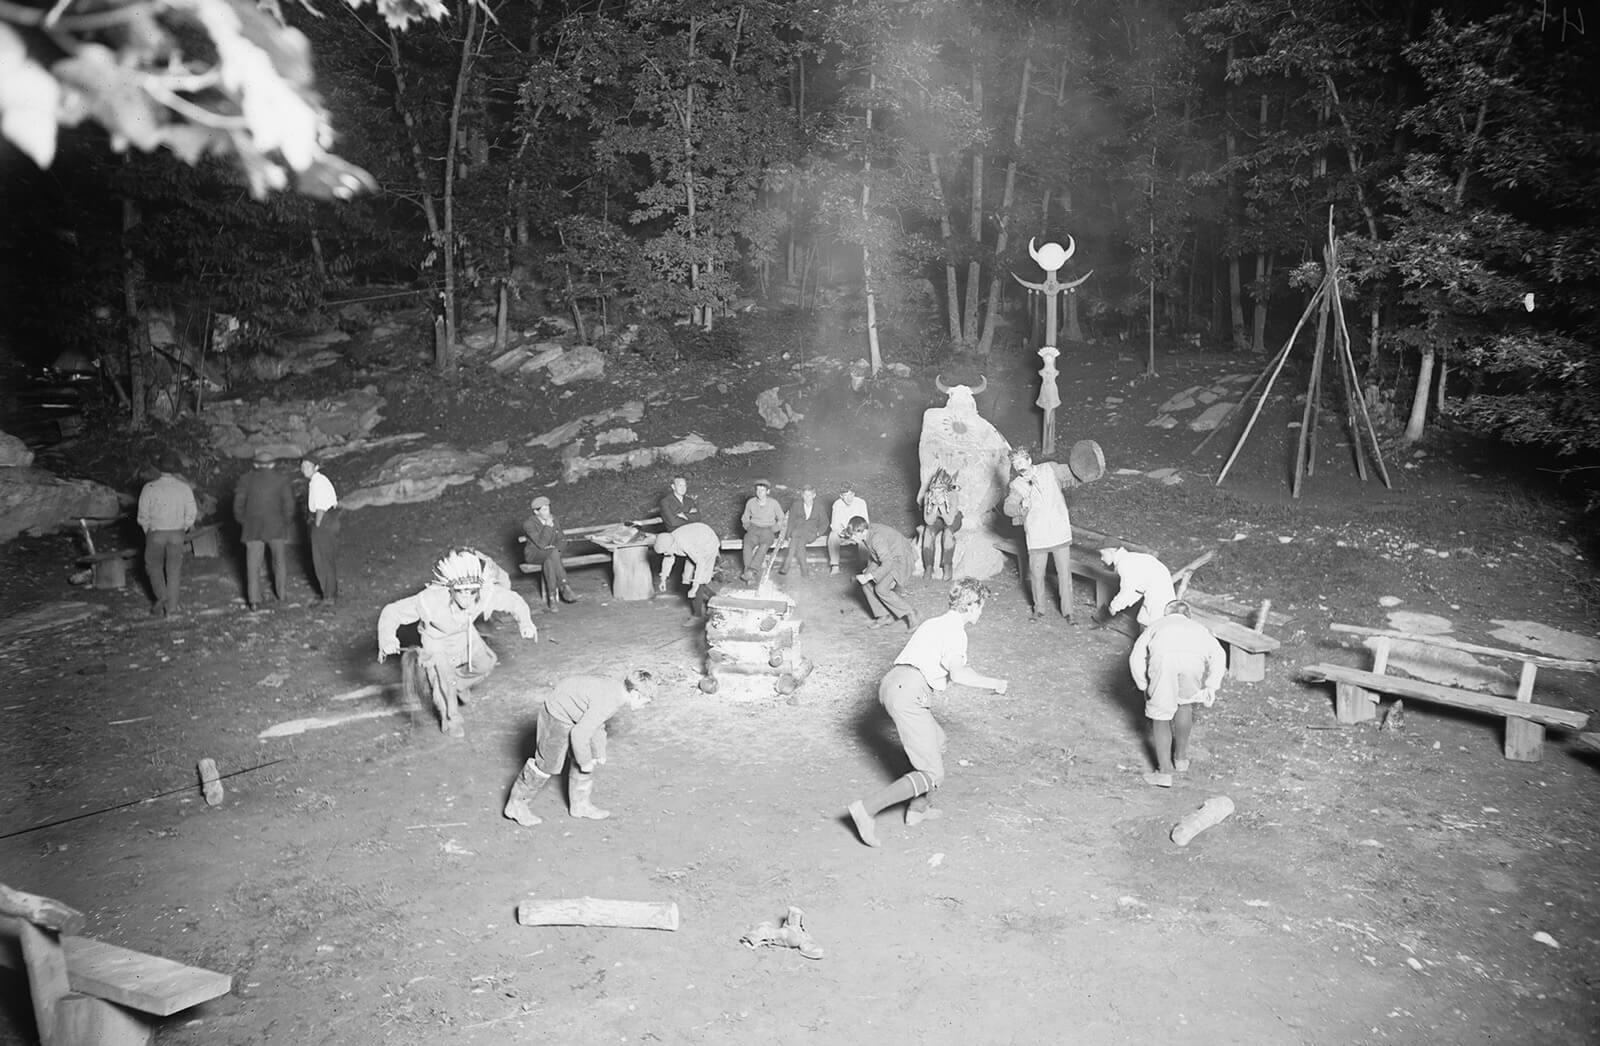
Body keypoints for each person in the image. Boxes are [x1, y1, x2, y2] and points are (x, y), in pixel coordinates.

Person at [846, 578, 1008, 847]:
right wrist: (995, 683)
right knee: (933, 773)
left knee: (938, 740)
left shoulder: (934, 622)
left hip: (893, 684)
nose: (981, 611)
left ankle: (917, 810)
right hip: (909, 693)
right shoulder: (956, 632)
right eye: (981, 606)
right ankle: (866, 809)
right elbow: (958, 672)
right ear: (972, 605)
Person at [377, 549, 538, 738]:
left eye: (472, 592)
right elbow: (392, 611)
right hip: (436, 641)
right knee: (445, 682)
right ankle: (450, 718)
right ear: (451, 589)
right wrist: (388, 638)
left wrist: (525, 622)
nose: (467, 598)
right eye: (461, 592)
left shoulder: (485, 594)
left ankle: (460, 684)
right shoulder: (431, 600)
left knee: (486, 663)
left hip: (465, 634)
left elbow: (513, 601)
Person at [503, 670, 659, 824]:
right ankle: (516, 805)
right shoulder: (611, 700)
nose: (643, 707)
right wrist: (584, 762)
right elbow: (579, 734)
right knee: (547, 763)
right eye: (645, 702)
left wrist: (599, 751)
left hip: (573, 710)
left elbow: (597, 723)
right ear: (636, 694)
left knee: (588, 752)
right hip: (557, 713)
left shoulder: (617, 692)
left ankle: (580, 805)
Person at [1128, 600, 1226, 788]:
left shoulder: (1156, 625)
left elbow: (1136, 655)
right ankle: (1181, 758)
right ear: (1188, 615)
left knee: (1160, 715)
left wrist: (1142, 683)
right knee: (1185, 704)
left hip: (1164, 660)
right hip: (1193, 662)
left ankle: (1164, 772)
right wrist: (1212, 685)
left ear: (1166, 614)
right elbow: (1219, 655)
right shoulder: (1199, 627)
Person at [1003, 445, 1074, 621]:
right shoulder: (1017, 485)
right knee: (1036, 574)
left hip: (1059, 530)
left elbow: (1074, 473)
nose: (1018, 466)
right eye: (1015, 463)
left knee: (1064, 574)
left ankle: (1069, 612)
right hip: (1037, 535)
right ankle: (1039, 609)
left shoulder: (1049, 468)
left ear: (1029, 460)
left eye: (1021, 461)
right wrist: (1020, 507)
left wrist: (1084, 469)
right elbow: (1008, 508)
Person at [233, 449, 296, 610]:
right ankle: (281, 595)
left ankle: (254, 600)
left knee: (252, 565)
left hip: (252, 529)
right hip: (276, 528)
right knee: (279, 562)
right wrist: (285, 522)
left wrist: (244, 522)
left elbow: (237, 506)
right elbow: (289, 505)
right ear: (273, 464)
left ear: (255, 464)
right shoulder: (282, 480)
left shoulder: (245, 480)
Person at [136, 452, 197, 617]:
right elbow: (191, 513)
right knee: (174, 570)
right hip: (177, 533)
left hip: (156, 533)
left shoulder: (149, 488)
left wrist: (148, 530)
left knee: (153, 566)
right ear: (176, 467)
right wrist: (182, 528)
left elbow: (142, 516)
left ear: (159, 467)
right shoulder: (184, 488)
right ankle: (172, 608)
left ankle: (162, 596)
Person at [845, 516, 921, 630]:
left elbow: (888, 562)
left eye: (855, 535)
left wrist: (871, 575)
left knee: (881, 589)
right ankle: (883, 616)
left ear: (863, 531)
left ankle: (911, 613)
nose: (853, 538)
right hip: (889, 557)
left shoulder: (876, 538)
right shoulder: (867, 534)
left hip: (900, 559)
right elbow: (876, 554)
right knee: (865, 583)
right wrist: (867, 571)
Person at [521, 495, 578, 609]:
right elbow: (541, 544)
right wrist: (547, 526)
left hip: (551, 555)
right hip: (534, 554)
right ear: (536, 512)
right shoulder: (529, 524)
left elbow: (562, 538)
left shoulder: (554, 519)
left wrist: (558, 550)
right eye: (544, 509)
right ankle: (564, 586)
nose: (548, 512)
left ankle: (552, 598)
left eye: (548, 508)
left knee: (550, 558)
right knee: (551, 554)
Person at [1099, 546, 1177, 630]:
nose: (1102, 558)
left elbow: (1127, 591)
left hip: (1160, 594)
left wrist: (1114, 606)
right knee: (1142, 619)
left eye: (1103, 554)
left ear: (1111, 551)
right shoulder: (1129, 558)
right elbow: (1137, 590)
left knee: (1156, 627)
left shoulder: (1124, 564)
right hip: (1156, 588)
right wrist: (1116, 607)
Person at [301, 455, 340, 603]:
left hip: (323, 521)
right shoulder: (317, 480)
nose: (304, 469)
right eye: (303, 466)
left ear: (316, 467)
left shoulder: (318, 482)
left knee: (322, 560)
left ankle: (329, 597)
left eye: (307, 466)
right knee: (326, 558)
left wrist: (317, 524)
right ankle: (330, 593)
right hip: (328, 519)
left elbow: (321, 507)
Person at [653, 520, 720, 599]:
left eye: (665, 551)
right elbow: (668, 559)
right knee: (687, 578)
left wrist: (694, 587)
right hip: (695, 542)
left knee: (702, 578)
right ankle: (697, 594)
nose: (665, 554)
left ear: (672, 546)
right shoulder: (669, 541)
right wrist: (663, 579)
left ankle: (705, 598)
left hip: (707, 542)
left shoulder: (684, 544)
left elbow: (700, 562)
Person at [917, 467, 963, 581]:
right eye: (934, 489)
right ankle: (928, 567)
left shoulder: (952, 495)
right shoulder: (928, 496)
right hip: (937, 519)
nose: (936, 493)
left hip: (952, 519)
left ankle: (947, 565)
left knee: (947, 533)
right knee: (928, 532)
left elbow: (949, 521)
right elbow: (929, 521)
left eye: (940, 490)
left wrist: (942, 508)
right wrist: (934, 508)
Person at [739, 479, 787, 582]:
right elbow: (745, 517)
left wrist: (774, 529)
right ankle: (748, 572)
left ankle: (752, 570)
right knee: (747, 544)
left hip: (767, 529)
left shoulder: (773, 503)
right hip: (753, 528)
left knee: (764, 545)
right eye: (758, 490)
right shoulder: (751, 502)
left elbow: (781, 519)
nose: (760, 493)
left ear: (768, 491)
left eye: (763, 490)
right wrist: (748, 526)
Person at [780, 483, 828, 576]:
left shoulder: (819, 506)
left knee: (796, 538)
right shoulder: (796, 505)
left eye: (809, 495)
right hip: (798, 532)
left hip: (811, 533)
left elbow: (825, 523)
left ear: (814, 495)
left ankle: (787, 565)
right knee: (799, 542)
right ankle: (804, 570)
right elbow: (791, 521)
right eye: (805, 495)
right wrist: (788, 534)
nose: (807, 498)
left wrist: (818, 533)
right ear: (802, 495)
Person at [827, 486, 870, 576]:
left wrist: (857, 533)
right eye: (845, 495)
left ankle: (864, 567)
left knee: (864, 538)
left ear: (854, 494)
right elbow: (834, 525)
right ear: (841, 496)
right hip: (844, 533)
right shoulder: (837, 504)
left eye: (851, 494)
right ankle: (835, 566)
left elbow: (865, 523)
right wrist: (843, 532)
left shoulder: (861, 503)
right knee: (832, 535)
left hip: (857, 532)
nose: (849, 498)